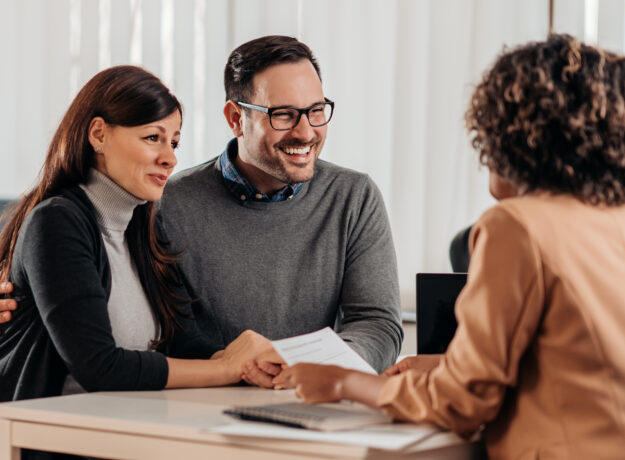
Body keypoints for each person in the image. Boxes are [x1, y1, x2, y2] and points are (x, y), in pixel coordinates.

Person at [274, 34, 625, 459]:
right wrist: (447, 362)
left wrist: (343, 382)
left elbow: (462, 402)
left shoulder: (517, 226)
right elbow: (578, 364)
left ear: (510, 132)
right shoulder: (611, 219)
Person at [0, 36, 403, 384]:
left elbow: (377, 323)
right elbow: (101, 357)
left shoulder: (354, 197)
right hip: (138, 421)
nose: (305, 131)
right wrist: (235, 369)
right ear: (235, 119)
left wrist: (298, 369)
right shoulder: (157, 205)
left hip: (273, 399)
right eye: (283, 114)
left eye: (316, 110)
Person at [0, 65, 273, 407]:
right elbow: (99, 367)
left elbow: (183, 344)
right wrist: (227, 369)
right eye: (152, 138)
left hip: (134, 425)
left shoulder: (142, 226)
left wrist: (245, 364)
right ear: (98, 135)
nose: (170, 158)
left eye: (174, 142)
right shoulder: (56, 222)